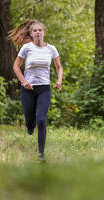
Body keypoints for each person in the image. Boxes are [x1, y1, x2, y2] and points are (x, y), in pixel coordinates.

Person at [8, 19, 63, 162]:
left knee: (41, 120)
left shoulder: (51, 49)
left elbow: (59, 67)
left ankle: (41, 154)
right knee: (30, 122)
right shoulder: (26, 48)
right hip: (28, 89)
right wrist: (24, 82)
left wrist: (59, 80)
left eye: (40, 30)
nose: (37, 32)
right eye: (34, 31)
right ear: (31, 34)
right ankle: (29, 126)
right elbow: (16, 66)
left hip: (44, 88)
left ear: (44, 33)